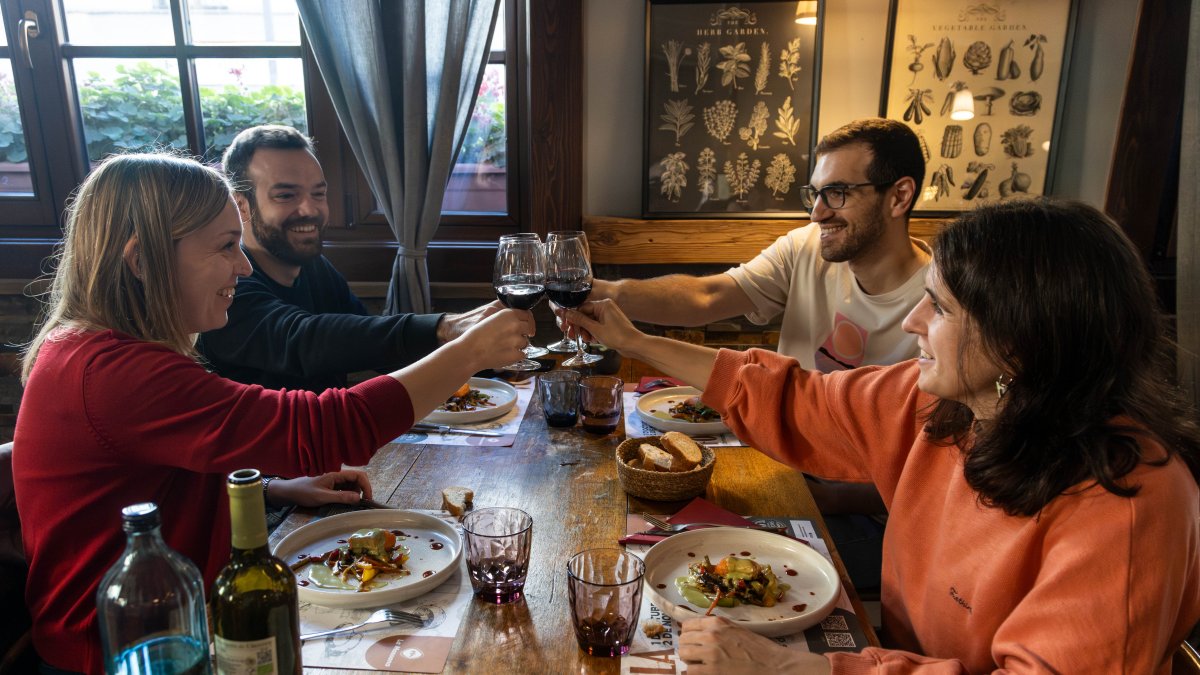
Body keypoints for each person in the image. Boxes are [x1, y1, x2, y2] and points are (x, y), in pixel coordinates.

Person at [566, 198, 1200, 672]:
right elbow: (790, 396)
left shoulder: (1127, 502)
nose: (916, 320)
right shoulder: (941, 404)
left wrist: (797, 668)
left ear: (1022, 340)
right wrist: (634, 342)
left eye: (943, 308)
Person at [13, 153, 532, 674]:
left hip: (167, 630)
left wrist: (270, 489)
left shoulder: (93, 349)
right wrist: (468, 351)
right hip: (121, 656)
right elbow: (329, 428)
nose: (243, 265)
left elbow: (145, 483)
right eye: (224, 246)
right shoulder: (113, 371)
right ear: (141, 261)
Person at [574, 117, 932, 588]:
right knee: (642, 537)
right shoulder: (809, 248)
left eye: (838, 193)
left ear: (899, 197)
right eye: (815, 194)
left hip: (870, 519)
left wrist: (813, 497)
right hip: (785, 473)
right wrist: (598, 291)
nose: (817, 214)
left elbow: (923, 476)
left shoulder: (939, 310)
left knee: (701, 568)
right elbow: (706, 297)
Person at [197, 124, 499, 392]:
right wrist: (443, 327)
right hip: (259, 455)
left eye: (318, 194)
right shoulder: (226, 283)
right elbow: (303, 341)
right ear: (241, 206)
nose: (310, 209)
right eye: (286, 195)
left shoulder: (314, 267)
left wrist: (490, 366)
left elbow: (374, 346)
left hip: (329, 449)